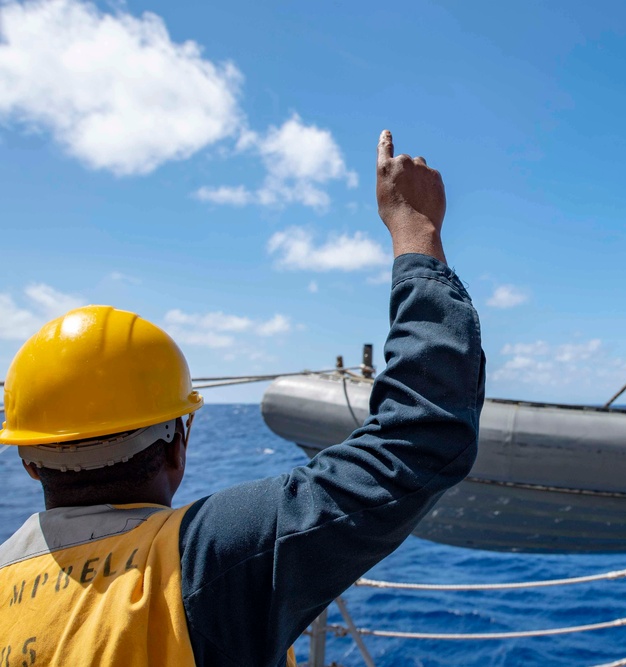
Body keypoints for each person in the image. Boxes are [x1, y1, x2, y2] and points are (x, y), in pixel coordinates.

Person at [0, 130, 485, 667]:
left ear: (28, 459)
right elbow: (423, 436)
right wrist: (415, 233)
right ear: (177, 442)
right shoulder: (209, 561)